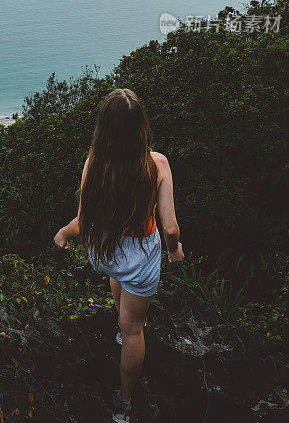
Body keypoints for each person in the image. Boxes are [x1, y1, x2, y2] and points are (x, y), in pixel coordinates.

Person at [53, 88, 183, 423]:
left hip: (105, 251)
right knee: (135, 331)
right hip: (139, 255)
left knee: (118, 279)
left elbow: (83, 221)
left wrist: (64, 233)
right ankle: (124, 404)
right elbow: (169, 229)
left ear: (104, 127)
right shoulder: (157, 164)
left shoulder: (94, 165)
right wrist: (174, 250)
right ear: (141, 126)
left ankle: (119, 323)